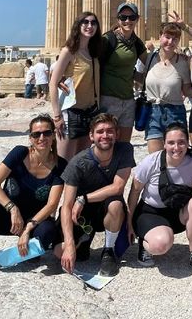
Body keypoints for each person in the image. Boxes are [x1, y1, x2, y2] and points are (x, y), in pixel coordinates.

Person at [0, 114, 67, 282]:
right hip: (10, 215)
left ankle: (27, 248)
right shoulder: (19, 153)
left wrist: (28, 229)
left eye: (46, 133)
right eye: (36, 134)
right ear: (30, 138)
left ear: (53, 135)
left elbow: (52, 205)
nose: (41, 137)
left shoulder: (61, 165)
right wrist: (12, 208)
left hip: (35, 219)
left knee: (48, 232)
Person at [127, 123, 192, 278]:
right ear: (164, 144)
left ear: (187, 143)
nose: (176, 147)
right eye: (171, 143)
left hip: (178, 211)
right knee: (161, 244)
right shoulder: (150, 162)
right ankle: (145, 244)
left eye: (181, 142)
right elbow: (134, 192)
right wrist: (129, 222)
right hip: (151, 213)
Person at [58, 113, 135, 277]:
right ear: (91, 136)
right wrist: (70, 244)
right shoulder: (78, 163)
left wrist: (84, 198)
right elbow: (66, 206)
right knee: (60, 251)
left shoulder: (125, 150)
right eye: (100, 132)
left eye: (110, 131)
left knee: (115, 204)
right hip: (82, 216)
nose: (105, 136)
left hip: (107, 210)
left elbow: (118, 187)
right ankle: (84, 239)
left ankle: (108, 250)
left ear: (117, 134)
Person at [49, 12, 102, 161]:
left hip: (90, 113)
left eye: (93, 23)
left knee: (80, 162)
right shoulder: (69, 51)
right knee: (63, 162)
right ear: (78, 25)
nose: (89, 26)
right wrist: (57, 116)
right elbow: (53, 83)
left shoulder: (94, 52)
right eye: (85, 22)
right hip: (71, 113)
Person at [100, 2, 148, 142]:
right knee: (106, 143)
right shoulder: (108, 39)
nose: (128, 21)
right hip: (108, 99)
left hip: (128, 100)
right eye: (123, 17)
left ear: (137, 19)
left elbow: (150, 63)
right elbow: (91, 62)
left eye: (132, 17)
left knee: (124, 145)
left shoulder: (137, 43)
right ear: (118, 19)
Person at [143, 23, 192, 153]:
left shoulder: (183, 62)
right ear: (160, 36)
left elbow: (187, 90)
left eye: (175, 39)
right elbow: (138, 79)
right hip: (152, 113)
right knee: (155, 160)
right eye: (167, 37)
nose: (170, 42)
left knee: (177, 159)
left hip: (175, 112)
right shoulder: (149, 58)